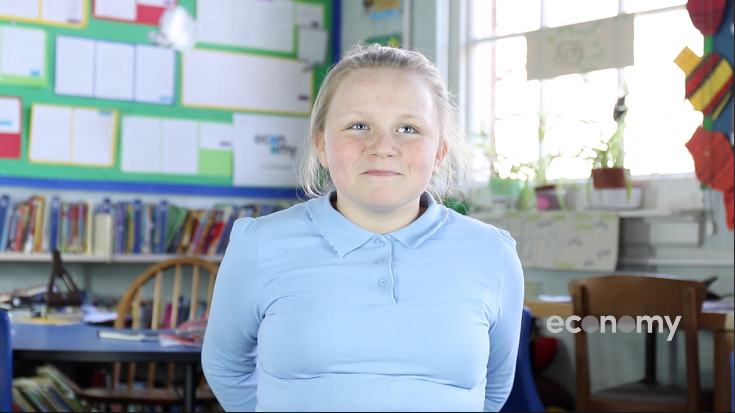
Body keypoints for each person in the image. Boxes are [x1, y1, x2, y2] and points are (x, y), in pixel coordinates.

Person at [202, 43, 525, 412]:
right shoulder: (258, 244)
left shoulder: (492, 253)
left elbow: (494, 386)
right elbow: (225, 368)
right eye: (359, 125)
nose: (383, 146)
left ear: (438, 154)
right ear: (322, 145)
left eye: (408, 128)